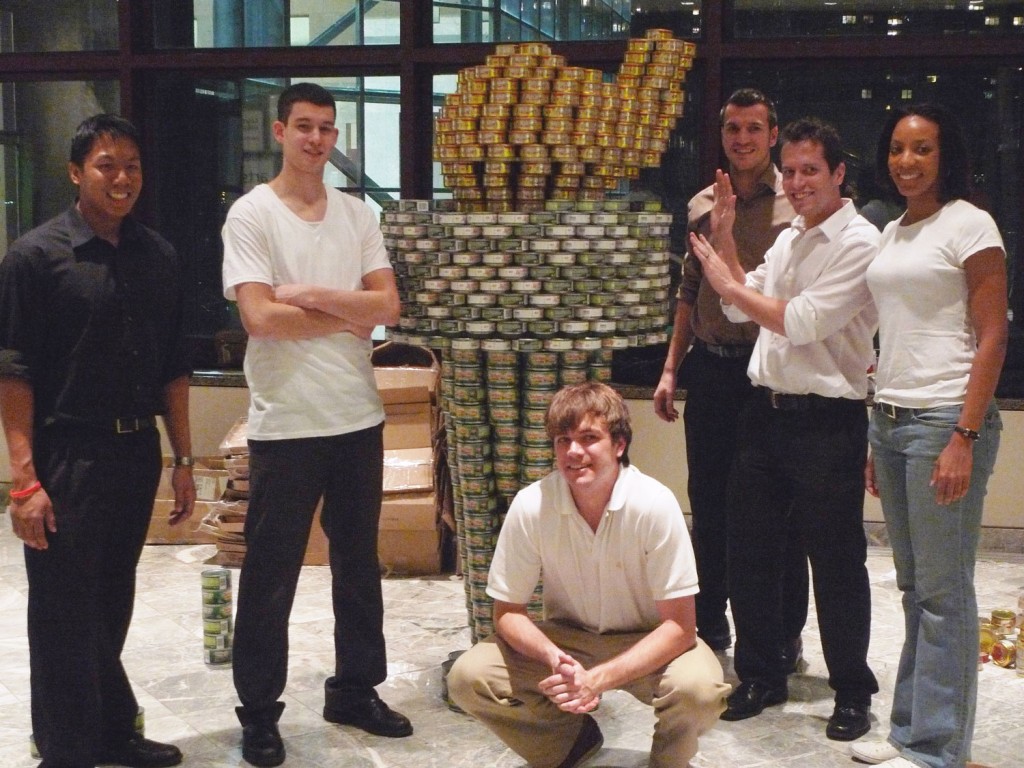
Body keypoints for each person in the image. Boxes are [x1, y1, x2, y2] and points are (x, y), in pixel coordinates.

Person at [0, 114, 196, 768]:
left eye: (132, 165)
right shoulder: (34, 257)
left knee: (111, 602)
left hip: (135, 453)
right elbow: (14, 371)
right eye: (107, 165)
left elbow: (172, 366)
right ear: (76, 172)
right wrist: (24, 481)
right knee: (62, 614)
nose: (122, 178)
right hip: (66, 457)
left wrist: (185, 460)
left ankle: (111, 733)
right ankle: (66, 752)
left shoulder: (158, 256)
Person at [220, 82, 406, 767]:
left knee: (359, 569)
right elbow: (259, 319)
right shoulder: (250, 216)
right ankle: (259, 713)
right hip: (285, 424)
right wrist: (347, 310)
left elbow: (387, 305)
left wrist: (305, 294)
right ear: (278, 132)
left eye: (326, 129)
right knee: (271, 578)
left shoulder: (358, 215)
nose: (315, 140)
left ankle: (354, 690)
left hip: (357, 417)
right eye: (303, 127)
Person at [690, 117, 879, 740]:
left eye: (810, 171)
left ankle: (851, 689)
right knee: (751, 551)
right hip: (764, 412)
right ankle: (761, 674)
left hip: (828, 423)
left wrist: (724, 281)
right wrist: (723, 238)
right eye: (791, 171)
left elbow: (797, 320)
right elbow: (742, 294)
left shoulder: (859, 242)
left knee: (835, 561)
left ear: (839, 173)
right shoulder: (793, 235)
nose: (797, 183)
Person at [447, 382, 730, 768]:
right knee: (469, 676)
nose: (574, 452)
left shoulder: (655, 505)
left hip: (650, 639)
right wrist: (553, 657)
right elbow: (507, 612)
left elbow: (680, 628)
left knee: (700, 691)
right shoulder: (532, 505)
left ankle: (667, 761)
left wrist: (596, 680)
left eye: (588, 438)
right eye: (563, 440)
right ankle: (568, 743)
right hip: (568, 639)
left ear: (619, 445)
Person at [852, 104, 1007, 768]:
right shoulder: (892, 232)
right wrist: (871, 430)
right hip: (889, 423)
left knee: (945, 593)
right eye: (897, 148)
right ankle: (911, 731)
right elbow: (891, 338)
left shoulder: (971, 225)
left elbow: (993, 332)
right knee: (915, 588)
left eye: (922, 149)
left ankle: (940, 747)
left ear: (947, 156)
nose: (906, 160)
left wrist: (965, 434)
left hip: (946, 420)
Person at [653, 88, 808, 662]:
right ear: (722, 136)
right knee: (710, 504)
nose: (742, 139)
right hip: (713, 373)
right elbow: (690, 291)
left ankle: (783, 633)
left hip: (773, 374)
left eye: (754, 129)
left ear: (773, 135)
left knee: (780, 511)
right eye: (732, 129)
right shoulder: (699, 205)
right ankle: (710, 627)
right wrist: (671, 368)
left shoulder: (797, 205)